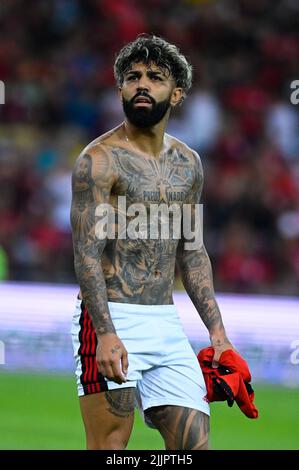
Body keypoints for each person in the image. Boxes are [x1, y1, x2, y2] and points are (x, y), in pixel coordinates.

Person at [70, 34, 234, 450]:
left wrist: (217, 333)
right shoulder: (99, 160)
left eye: (155, 77)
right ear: (120, 89)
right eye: (132, 77)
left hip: (165, 321)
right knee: (109, 448)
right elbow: (86, 253)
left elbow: (192, 250)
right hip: (110, 317)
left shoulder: (189, 164)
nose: (142, 84)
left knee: (194, 449)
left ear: (176, 94)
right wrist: (105, 333)